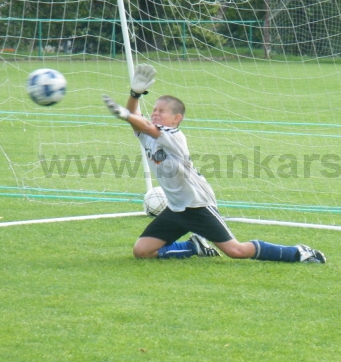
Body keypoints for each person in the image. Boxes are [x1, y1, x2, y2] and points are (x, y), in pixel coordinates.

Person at [102, 63, 326, 264]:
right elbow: (137, 119)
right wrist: (135, 94)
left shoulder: (174, 135)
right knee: (142, 251)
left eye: (161, 111)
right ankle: (193, 246)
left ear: (176, 118)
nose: (155, 114)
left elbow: (142, 123)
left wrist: (128, 115)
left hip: (198, 205)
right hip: (176, 208)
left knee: (235, 251)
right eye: (154, 110)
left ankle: (299, 253)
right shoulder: (148, 136)